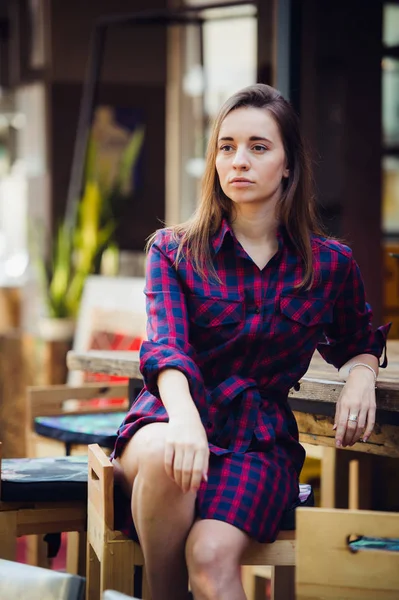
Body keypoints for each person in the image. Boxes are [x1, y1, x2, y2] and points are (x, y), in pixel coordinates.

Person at [112, 83, 390, 600]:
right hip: (171, 419)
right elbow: (166, 346)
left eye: (258, 147)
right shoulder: (174, 250)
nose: (239, 160)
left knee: (211, 556)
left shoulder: (329, 264)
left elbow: (357, 340)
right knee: (165, 456)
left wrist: (360, 375)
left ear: (288, 164)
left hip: (257, 443)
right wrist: (186, 421)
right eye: (227, 146)